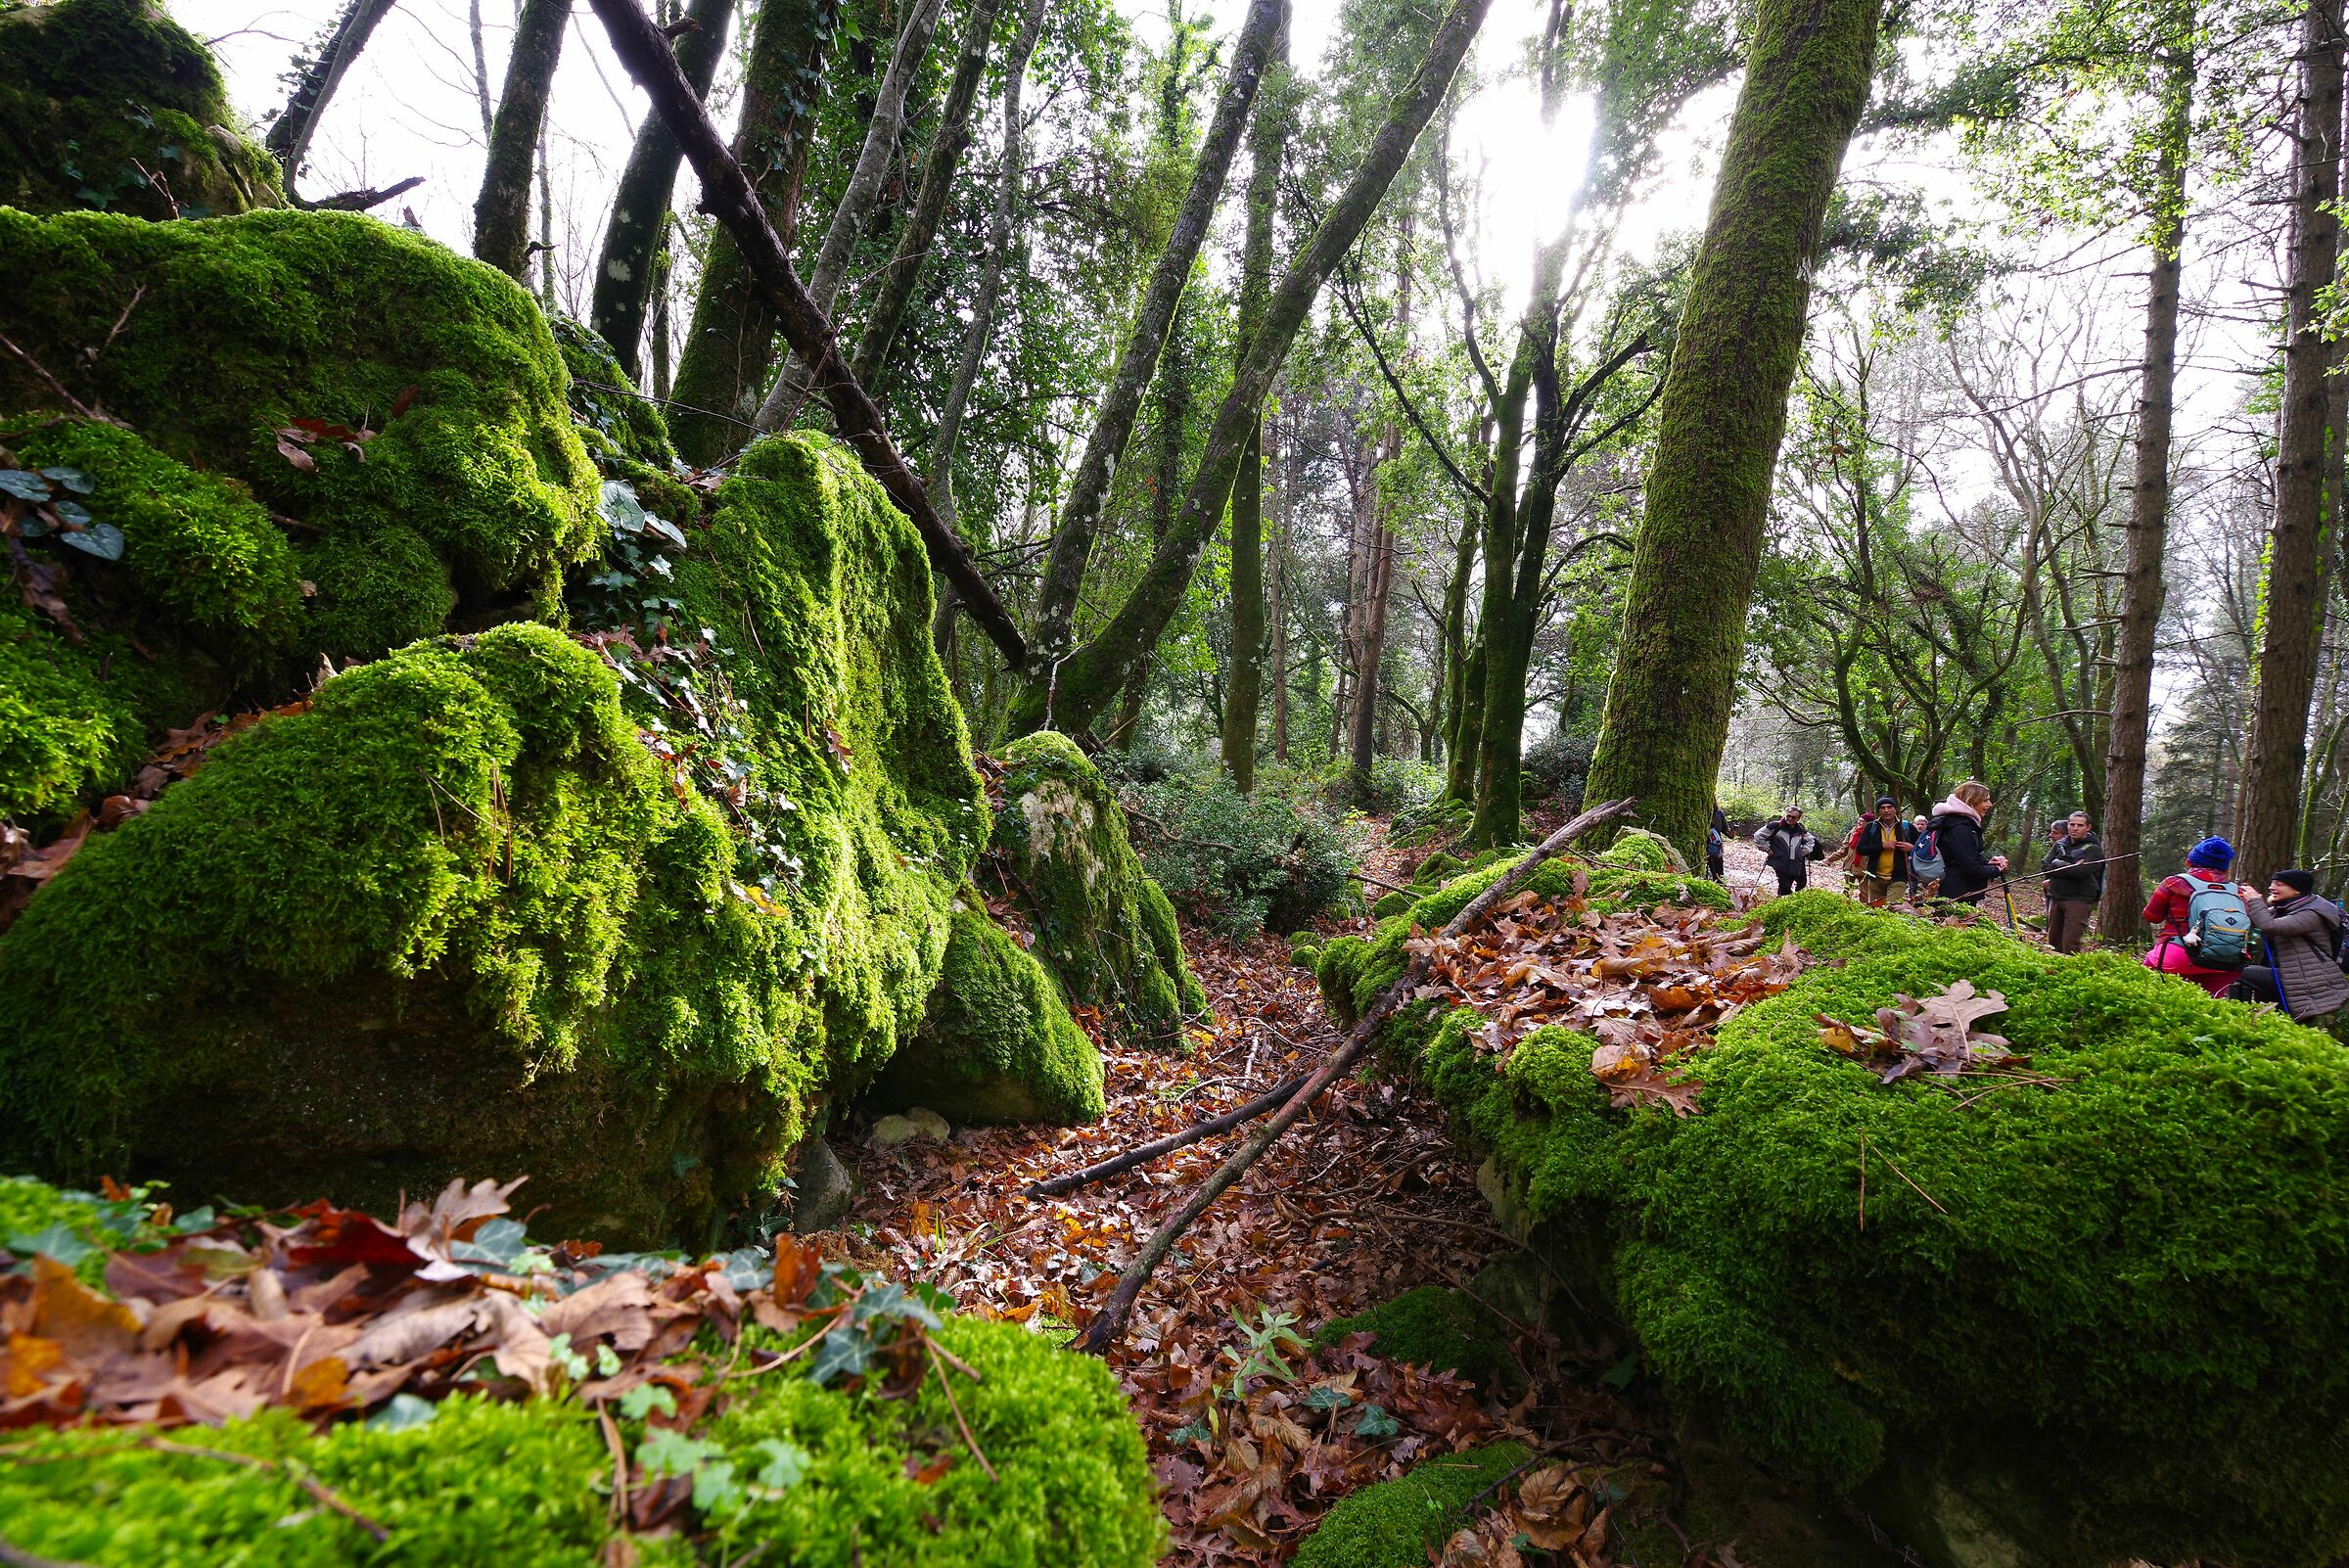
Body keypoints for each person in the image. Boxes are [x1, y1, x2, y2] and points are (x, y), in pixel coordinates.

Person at [2142, 837, 2252, 998]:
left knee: (2148, 993)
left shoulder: (2173, 883)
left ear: (2192, 860)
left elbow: (2152, 916)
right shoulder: (2237, 891)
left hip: (2177, 954)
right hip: (2226, 961)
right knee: (2207, 1005)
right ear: (2225, 865)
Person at [2234, 870, 2349, 1018]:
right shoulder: (2285, 909)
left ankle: (2239, 1017)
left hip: (2307, 979)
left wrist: (2255, 900)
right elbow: (2256, 918)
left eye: (2279, 884)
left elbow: (2269, 926)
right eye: (2272, 883)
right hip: (2290, 975)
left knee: (2238, 972)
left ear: (2297, 890)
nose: (2271, 887)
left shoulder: (2312, 913)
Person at [1926, 781, 2007, 904]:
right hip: (1957, 894)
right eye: (1985, 800)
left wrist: (1988, 863)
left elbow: (1964, 858)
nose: (1990, 804)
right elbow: (1971, 868)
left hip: (1959, 892)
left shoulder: (1961, 824)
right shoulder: (1960, 827)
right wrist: (1997, 870)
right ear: (1972, 801)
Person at [2041, 810, 2103, 954]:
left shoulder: (2094, 850)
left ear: (2088, 827)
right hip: (2056, 896)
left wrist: (2057, 864)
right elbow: (2045, 866)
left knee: (2070, 944)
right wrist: (2068, 866)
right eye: (2072, 824)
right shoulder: (2059, 845)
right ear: (2067, 825)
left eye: (2080, 825)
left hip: (2078, 900)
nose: (2075, 828)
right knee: (2053, 942)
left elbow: (2081, 872)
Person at [1847, 797, 1911, 907]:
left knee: (1892, 909)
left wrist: (1912, 848)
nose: (1886, 810)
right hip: (1875, 877)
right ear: (1878, 811)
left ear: (1895, 810)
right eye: (1882, 808)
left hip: (1898, 877)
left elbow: (1922, 849)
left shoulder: (1906, 827)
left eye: (1889, 807)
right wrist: (1882, 846)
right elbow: (1861, 849)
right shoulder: (1871, 827)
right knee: (1876, 910)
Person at [1753, 806, 1822, 899]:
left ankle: (1795, 901)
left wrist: (1803, 852)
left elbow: (1810, 841)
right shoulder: (1775, 826)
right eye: (1788, 816)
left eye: (1794, 817)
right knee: (1785, 886)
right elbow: (1758, 836)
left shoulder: (1800, 829)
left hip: (1797, 861)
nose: (1790, 818)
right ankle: (1783, 902)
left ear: (1798, 818)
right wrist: (1767, 848)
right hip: (1780, 860)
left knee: (1802, 883)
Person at [1907, 813, 1938, 899]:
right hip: (1912, 864)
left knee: (1927, 885)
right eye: (1918, 824)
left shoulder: (1930, 836)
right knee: (1912, 885)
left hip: (1926, 865)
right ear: (1914, 825)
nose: (1920, 826)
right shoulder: (1908, 834)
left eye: (1922, 824)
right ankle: (1911, 900)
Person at [1706, 804, 1727, 883]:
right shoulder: (1701, 813)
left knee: (1718, 875)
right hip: (1703, 848)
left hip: (1715, 848)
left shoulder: (1718, 814)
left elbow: (1726, 831)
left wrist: (1732, 833)